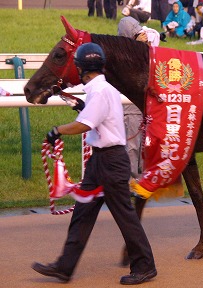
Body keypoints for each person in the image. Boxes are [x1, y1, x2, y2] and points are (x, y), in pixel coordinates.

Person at [31, 43, 157, 285]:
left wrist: (56, 131)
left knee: (124, 216)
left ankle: (145, 266)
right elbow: (99, 117)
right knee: (82, 213)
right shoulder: (101, 90)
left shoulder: (99, 92)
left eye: (77, 67)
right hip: (101, 161)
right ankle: (64, 267)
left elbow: (84, 125)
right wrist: (83, 107)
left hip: (110, 162)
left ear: (82, 69)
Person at [118, 16, 161, 179]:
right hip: (130, 107)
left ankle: (144, 178)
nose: (142, 34)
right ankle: (130, 182)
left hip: (145, 104)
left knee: (145, 144)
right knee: (132, 147)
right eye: (137, 33)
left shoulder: (142, 48)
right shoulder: (122, 52)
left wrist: (146, 46)